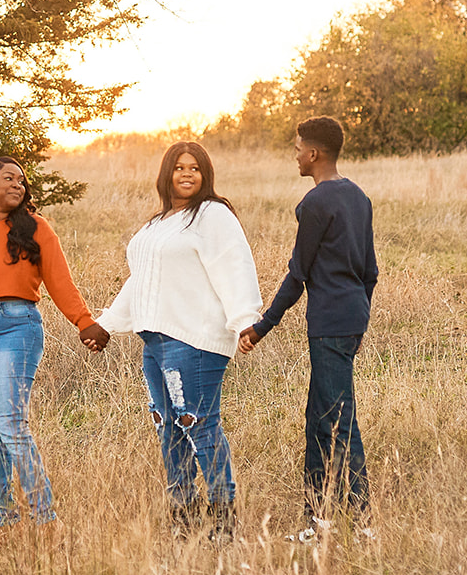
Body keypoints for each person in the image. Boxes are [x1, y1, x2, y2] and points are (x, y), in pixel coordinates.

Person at [95, 141, 261, 542]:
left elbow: (234, 264)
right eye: (180, 167)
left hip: (194, 341)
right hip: (155, 342)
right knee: (168, 428)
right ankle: (183, 518)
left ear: (205, 176)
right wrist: (108, 322)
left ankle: (224, 522)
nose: (187, 174)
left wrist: (245, 321)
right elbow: (142, 279)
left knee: (199, 425)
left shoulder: (212, 215)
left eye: (196, 168)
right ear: (166, 173)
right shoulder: (159, 223)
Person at [0, 157, 110, 527]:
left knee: (11, 425)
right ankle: (4, 518)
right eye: (8, 178)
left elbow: (60, 282)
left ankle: (44, 516)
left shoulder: (36, 228)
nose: (17, 185)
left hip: (16, 329)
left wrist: (85, 322)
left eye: (21, 180)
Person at [237, 116, 378, 543]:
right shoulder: (360, 198)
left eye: (298, 147)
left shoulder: (315, 204)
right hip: (350, 319)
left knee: (337, 421)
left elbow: (298, 275)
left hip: (330, 324)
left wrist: (262, 327)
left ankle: (363, 525)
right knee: (318, 419)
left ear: (314, 153)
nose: (295, 154)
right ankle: (318, 522)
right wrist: (360, 314)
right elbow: (371, 272)